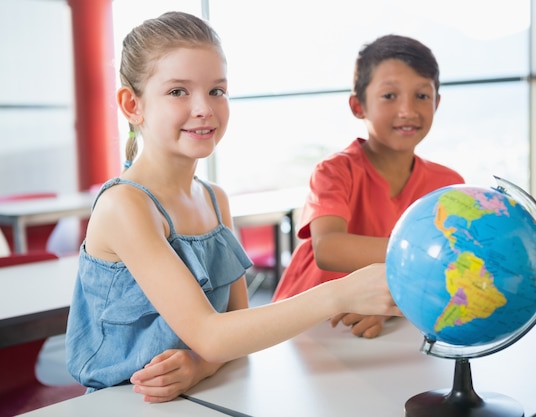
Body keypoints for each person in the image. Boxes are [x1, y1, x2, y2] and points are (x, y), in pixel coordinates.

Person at [65, 11, 400, 404]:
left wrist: (201, 365)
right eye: (178, 92)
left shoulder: (214, 198)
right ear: (132, 104)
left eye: (216, 91)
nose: (204, 108)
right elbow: (211, 334)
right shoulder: (126, 205)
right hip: (122, 403)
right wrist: (338, 294)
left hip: (206, 395)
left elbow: (235, 330)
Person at [272, 34, 464, 338]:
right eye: (390, 96)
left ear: (437, 103)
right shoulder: (335, 171)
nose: (407, 111)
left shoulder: (449, 186)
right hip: (303, 329)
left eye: (422, 96)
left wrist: (387, 310)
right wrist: (425, 252)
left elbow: (442, 277)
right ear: (358, 105)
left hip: (375, 330)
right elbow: (329, 248)